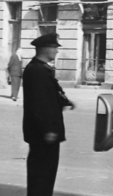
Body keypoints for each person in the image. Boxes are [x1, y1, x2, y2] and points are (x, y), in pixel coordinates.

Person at [21, 31, 73, 196]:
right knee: (41, 175)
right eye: (54, 48)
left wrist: (64, 101)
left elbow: (49, 96)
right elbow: (39, 105)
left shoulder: (41, 69)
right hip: (43, 134)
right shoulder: (36, 70)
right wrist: (48, 130)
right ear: (45, 49)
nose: (57, 51)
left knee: (46, 174)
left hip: (44, 134)